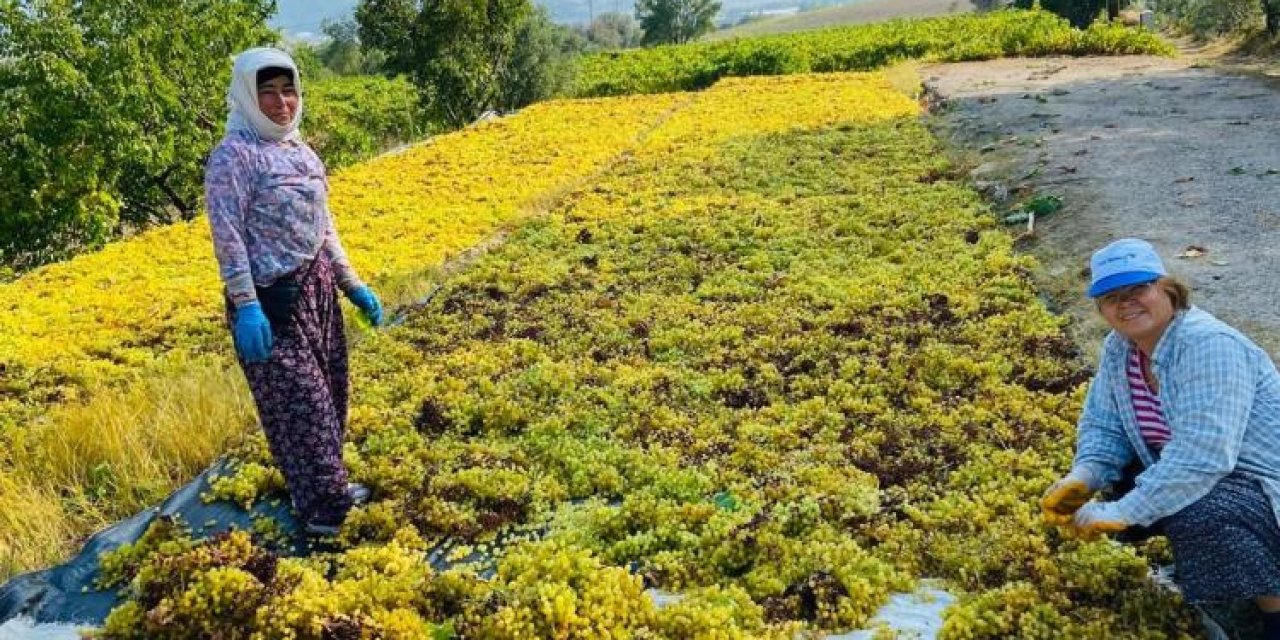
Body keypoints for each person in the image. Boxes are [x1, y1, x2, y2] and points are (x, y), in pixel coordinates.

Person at [1041, 238, 1280, 636]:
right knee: (1125, 480)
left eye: (1138, 289)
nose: (1127, 303)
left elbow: (1204, 458)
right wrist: (1084, 476)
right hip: (1214, 473)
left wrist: (1121, 513)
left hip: (1261, 480)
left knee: (1199, 510)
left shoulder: (1208, 345)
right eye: (1112, 296)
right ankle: (1225, 572)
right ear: (1100, 308)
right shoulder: (1121, 349)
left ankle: (1272, 610)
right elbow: (1105, 424)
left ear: (1167, 288)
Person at [205, 47, 383, 536]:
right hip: (270, 304)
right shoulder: (234, 157)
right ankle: (325, 515)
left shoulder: (301, 152)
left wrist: (353, 285)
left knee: (331, 398)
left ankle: (327, 490)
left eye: (289, 91)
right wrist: (246, 305)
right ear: (248, 96)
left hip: (316, 291)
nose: (281, 102)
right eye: (268, 93)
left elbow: (324, 228)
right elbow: (228, 235)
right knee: (302, 410)